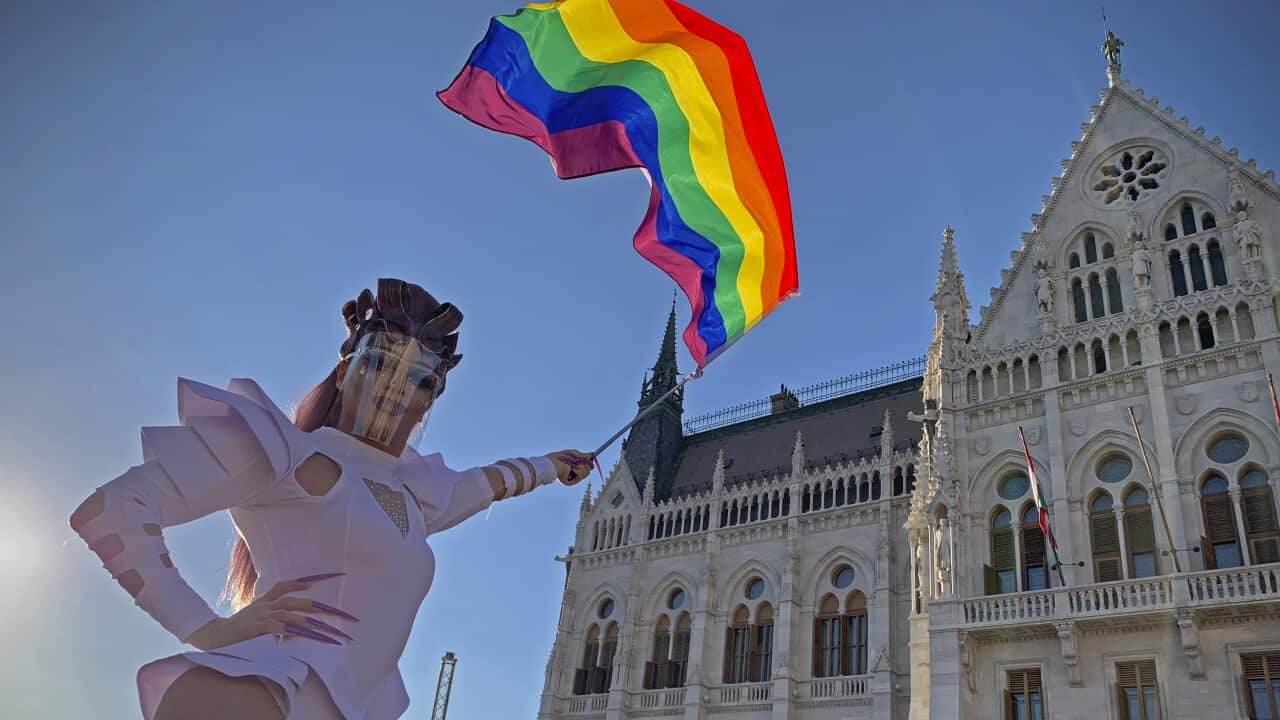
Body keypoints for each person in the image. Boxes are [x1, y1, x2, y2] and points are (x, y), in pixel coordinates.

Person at [70, 278, 595, 720]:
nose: (396, 388)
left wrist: (554, 465)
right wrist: (204, 626)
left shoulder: (419, 498)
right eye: (380, 363)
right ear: (345, 371)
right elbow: (112, 510)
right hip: (254, 698)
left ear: (432, 397)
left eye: (419, 380)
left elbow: (496, 481)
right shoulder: (285, 453)